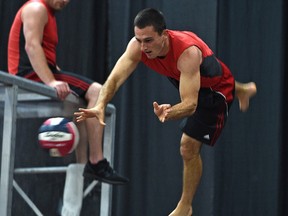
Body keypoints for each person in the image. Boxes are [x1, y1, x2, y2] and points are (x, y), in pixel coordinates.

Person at [74, 8, 257, 216]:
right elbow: (115, 78)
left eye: (149, 40)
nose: (143, 47)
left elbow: (191, 104)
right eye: (139, 39)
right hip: (198, 74)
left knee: (187, 147)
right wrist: (100, 104)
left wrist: (170, 112)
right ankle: (243, 89)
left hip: (215, 91)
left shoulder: (187, 54)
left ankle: (185, 207)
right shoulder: (138, 47)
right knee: (208, 73)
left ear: (164, 34)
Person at [7, 0, 129, 215]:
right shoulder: (36, 8)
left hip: (40, 73)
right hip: (28, 76)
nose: (65, 1)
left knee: (81, 104)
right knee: (98, 91)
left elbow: (46, 55)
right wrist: (51, 82)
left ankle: (82, 166)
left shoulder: (50, 14)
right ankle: (96, 161)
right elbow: (31, 46)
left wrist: (60, 78)